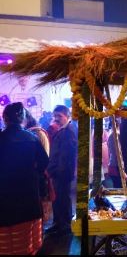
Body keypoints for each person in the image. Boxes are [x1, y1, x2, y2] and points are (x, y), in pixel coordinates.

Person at [0, 102, 49, 255]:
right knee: (28, 243)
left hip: (3, 197)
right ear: (23, 118)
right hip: (28, 196)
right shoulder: (32, 139)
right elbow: (43, 164)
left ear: (4, 118)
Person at [46, 105, 78, 236]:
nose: (56, 119)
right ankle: (58, 223)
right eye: (55, 116)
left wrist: (57, 171)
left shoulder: (69, 131)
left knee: (62, 199)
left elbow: (66, 156)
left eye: (60, 116)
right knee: (58, 199)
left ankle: (64, 226)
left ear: (67, 116)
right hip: (58, 172)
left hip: (62, 173)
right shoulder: (62, 130)